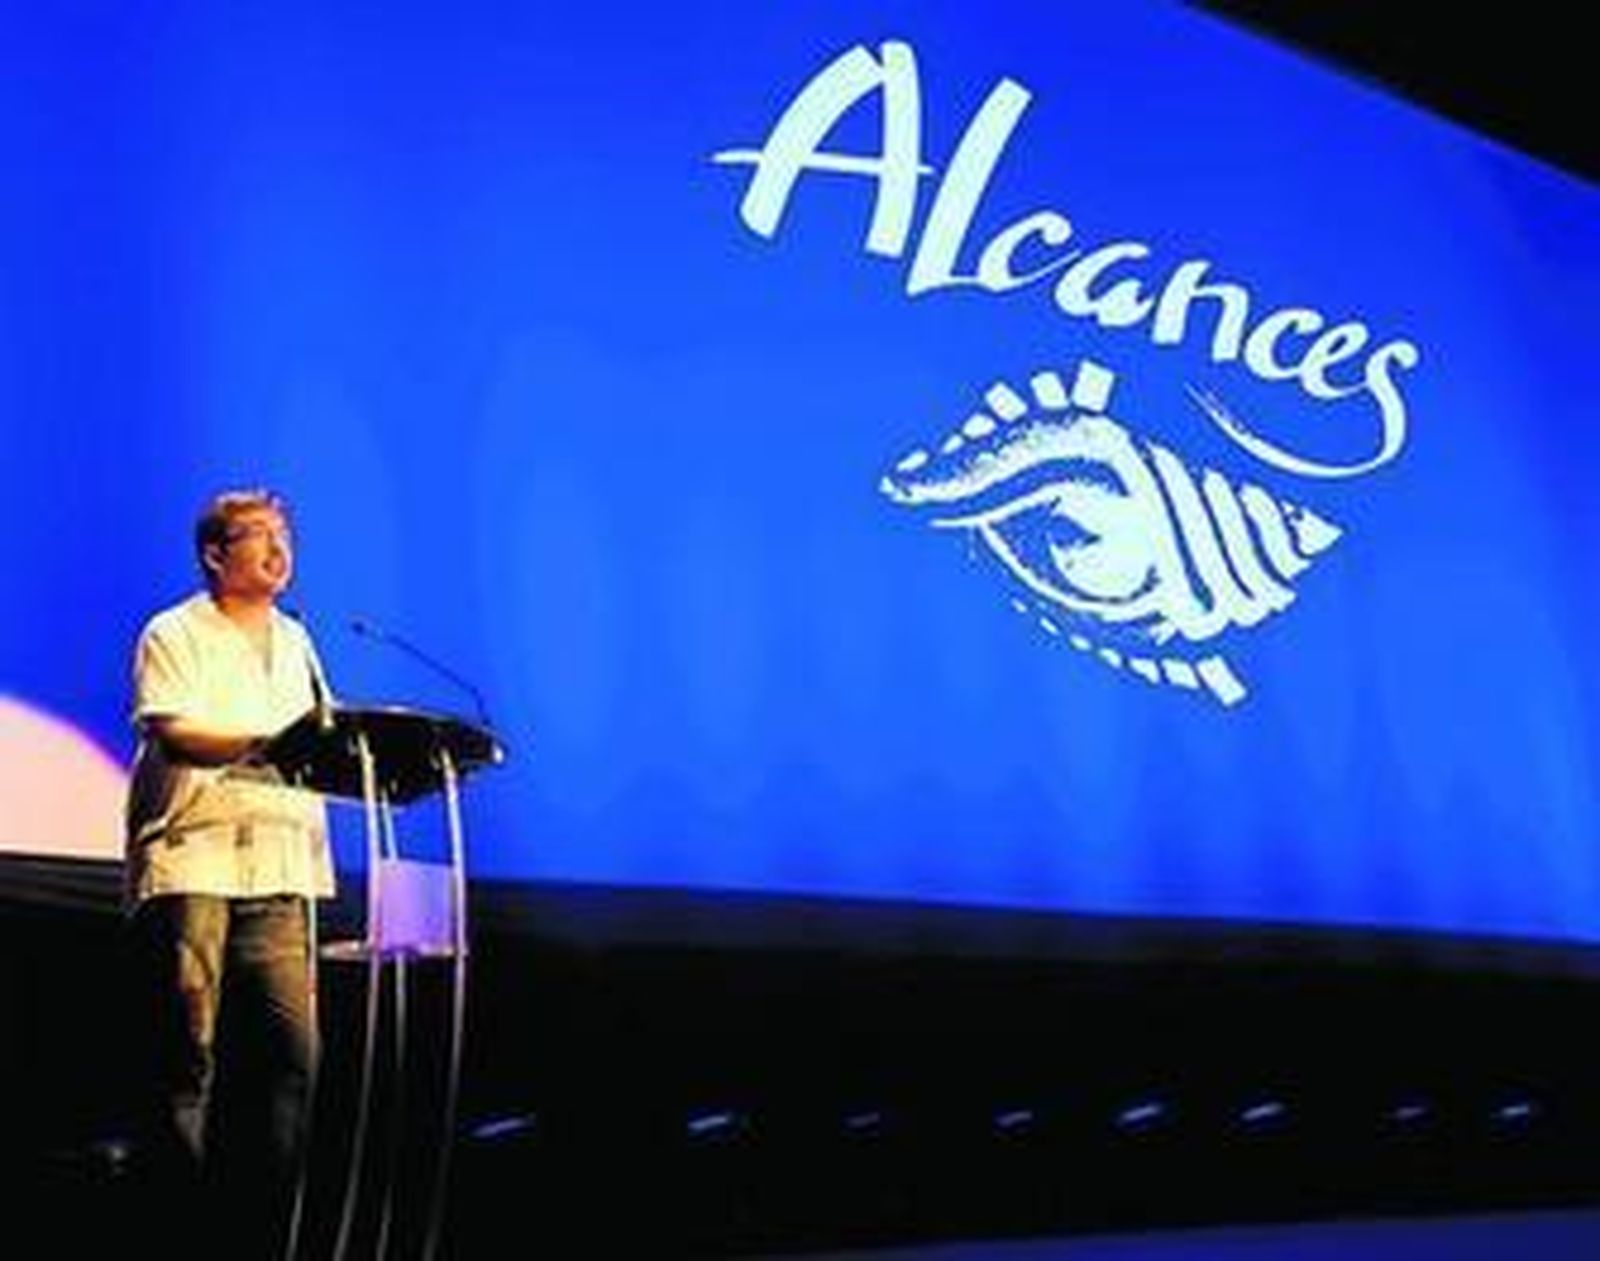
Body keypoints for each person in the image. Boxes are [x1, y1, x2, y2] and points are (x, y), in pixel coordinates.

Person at [124, 488, 334, 1260]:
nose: (281, 551)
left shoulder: (297, 641)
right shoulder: (173, 631)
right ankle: (177, 1234)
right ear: (216, 554)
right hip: (197, 863)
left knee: (294, 1059)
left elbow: (324, 738)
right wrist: (271, 744)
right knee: (188, 1058)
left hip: (280, 867)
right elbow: (171, 728)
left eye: (288, 535)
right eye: (261, 537)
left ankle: (262, 1237)